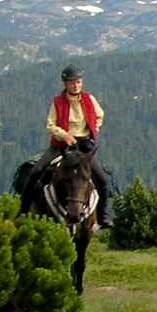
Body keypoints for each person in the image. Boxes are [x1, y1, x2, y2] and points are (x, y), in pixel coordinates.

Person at [36, 65, 114, 227]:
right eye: (72, 82)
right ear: (65, 84)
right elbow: (50, 125)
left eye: (78, 82)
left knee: (103, 180)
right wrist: (65, 135)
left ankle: (103, 216)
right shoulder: (58, 102)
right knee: (36, 171)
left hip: (83, 146)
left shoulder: (89, 99)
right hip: (61, 145)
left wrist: (93, 129)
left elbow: (100, 115)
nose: (76, 85)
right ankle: (24, 209)